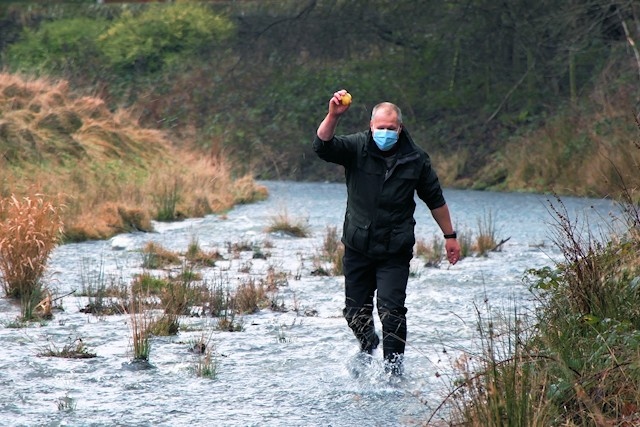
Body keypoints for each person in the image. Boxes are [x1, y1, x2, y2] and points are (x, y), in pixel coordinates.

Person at [313, 89, 461, 375]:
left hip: (395, 249)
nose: (385, 133)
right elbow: (322, 146)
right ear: (371, 127)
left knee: (392, 313)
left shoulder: (416, 159)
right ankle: (368, 345)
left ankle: (394, 370)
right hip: (358, 247)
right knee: (355, 314)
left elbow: (435, 199)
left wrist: (450, 236)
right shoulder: (356, 147)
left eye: (390, 129)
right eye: (380, 128)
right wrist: (333, 115)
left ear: (400, 128)